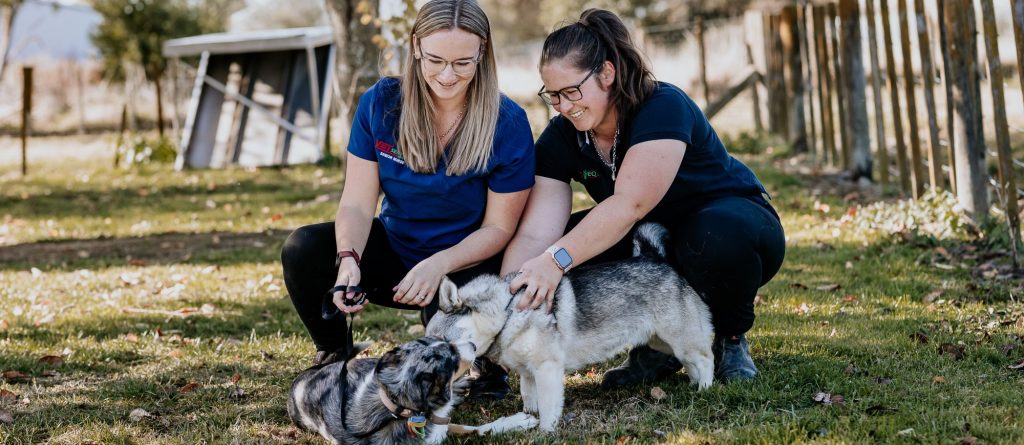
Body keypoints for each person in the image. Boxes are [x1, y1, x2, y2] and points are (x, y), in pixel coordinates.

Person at [501, 9, 785, 385]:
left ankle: (730, 338)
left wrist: (556, 261)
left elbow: (629, 204)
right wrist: (512, 292)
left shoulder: (661, 105)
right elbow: (537, 233)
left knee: (714, 239)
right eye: (553, 96)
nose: (565, 106)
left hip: (728, 223)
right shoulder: (561, 137)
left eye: (572, 91)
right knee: (560, 247)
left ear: (606, 73)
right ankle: (659, 345)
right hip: (647, 234)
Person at [281, 0, 534, 399]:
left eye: (462, 63)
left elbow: (500, 228)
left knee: (446, 343)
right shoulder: (381, 103)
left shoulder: (508, 122)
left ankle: (485, 364)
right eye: (435, 60)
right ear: (415, 45)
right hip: (398, 253)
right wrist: (350, 259)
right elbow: (357, 204)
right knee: (304, 248)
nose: (447, 76)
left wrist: (440, 266)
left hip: (466, 262)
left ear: (482, 53)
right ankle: (333, 356)